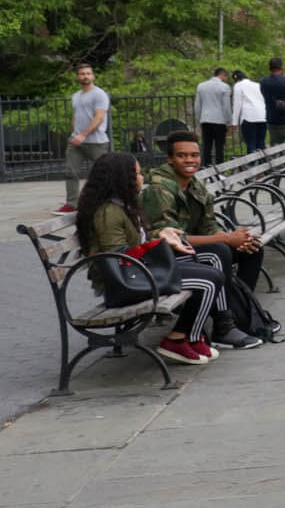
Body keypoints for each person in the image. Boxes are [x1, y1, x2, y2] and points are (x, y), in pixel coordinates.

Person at [75, 151, 246, 365]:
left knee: (212, 269)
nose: (142, 178)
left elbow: (136, 243)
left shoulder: (123, 205)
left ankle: (189, 337)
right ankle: (180, 339)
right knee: (208, 281)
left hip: (138, 271)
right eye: (136, 174)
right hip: (123, 282)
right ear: (121, 178)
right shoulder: (109, 212)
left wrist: (162, 233)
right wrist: (157, 245)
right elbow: (117, 255)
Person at [143, 131, 277, 345]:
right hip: (166, 257)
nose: (190, 160)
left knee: (251, 248)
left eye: (194, 155)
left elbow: (209, 225)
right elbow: (172, 239)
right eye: (182, 155)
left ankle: (243, 315)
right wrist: (225, 239)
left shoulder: (194, 184)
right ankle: (224, 327)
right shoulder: (159, 189)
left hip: (192, 250)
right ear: (170, 159)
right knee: (219, 252)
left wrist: (236, 238)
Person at [60, 63, 111, 213]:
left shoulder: (99, 94)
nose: (85, 76)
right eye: (82, 74)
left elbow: (99, 117)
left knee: (104, 173)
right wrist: (74, 134)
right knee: (70, 172)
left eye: (88, 73)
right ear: (78, 77)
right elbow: (76, 116)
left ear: (93, 76)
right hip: (76, 142)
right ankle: (71, 204)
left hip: (97, 142)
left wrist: (83, 135)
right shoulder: (75, 96)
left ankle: (107, 201)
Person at [195, 66, 233, 167]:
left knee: (206, 147)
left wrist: (199, 119)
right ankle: (219, 171)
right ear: (223, 75)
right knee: (219, 147)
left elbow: (198, 106)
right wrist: (229, 123)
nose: (226, 79)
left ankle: (205, 170)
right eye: (226, 77)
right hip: (219, 121)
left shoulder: (201, 86)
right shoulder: (225, 87)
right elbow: (226, 107)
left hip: (205, 120)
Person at [231, 69, 267, 153]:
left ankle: (252, 165)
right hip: (262, 116)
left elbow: (237, 104)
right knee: (261, 143)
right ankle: (264, 163)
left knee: (251, 143)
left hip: (249, 117)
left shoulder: (238, 85)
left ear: (236, 79)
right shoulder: (257, 85)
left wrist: (234, 122)